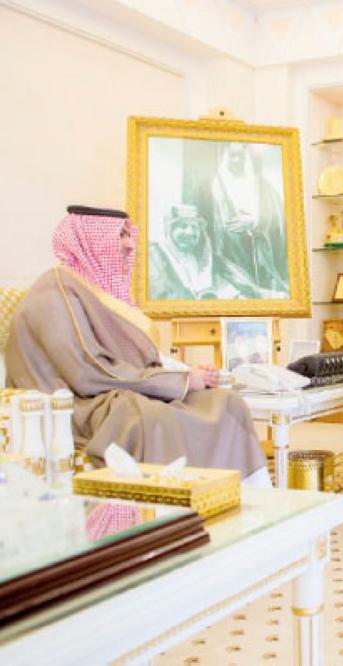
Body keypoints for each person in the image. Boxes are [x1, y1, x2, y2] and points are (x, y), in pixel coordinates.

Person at [5, 206, 270, 486]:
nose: (130, 244)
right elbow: (87, 371)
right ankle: (170, 504)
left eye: (129, 235)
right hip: (76, 402)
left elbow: (129, 360)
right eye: (120, 235)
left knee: (226, 403)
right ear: (90, 239)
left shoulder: (93, 289)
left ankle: (237, 497)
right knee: (148, 417)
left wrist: (185, 373)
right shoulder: (55, 290)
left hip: (116, 387)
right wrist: (179, 381)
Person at [203, 142, 289, 297]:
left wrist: (255, 222)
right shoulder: (210, 187)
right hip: (226, 255)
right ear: (224, 157)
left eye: (241, 156)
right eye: (232, 156)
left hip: (261, 258)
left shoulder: (263, 186)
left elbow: (279, 216)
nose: (236, 160)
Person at [148, 204, 259, 300]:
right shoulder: (153, 258)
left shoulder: (214, 262)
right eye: (183, 226)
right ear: (169, 230)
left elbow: (241, 289)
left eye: (194, 227)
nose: (190, 232)